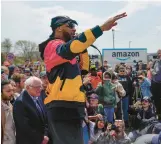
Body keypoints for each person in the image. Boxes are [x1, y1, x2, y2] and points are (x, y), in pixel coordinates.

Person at [38, 12, 127, 144]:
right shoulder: (53, 45)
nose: (74, 29)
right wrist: (100, 28)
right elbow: (73, 47)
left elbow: (84, 69)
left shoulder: (67, 54)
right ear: (59, 28)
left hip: (73, 107)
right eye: (70, 25)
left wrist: (83, 48)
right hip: (61, 107)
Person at [13, 76, 49, 144]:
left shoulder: (37, 97)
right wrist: (41, 138)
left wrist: (46, 134)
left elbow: (45, 118)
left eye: (40, 86)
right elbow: (24, 127)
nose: (40, 89)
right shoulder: (20, 102)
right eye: (37, 87)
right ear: (27, 87)